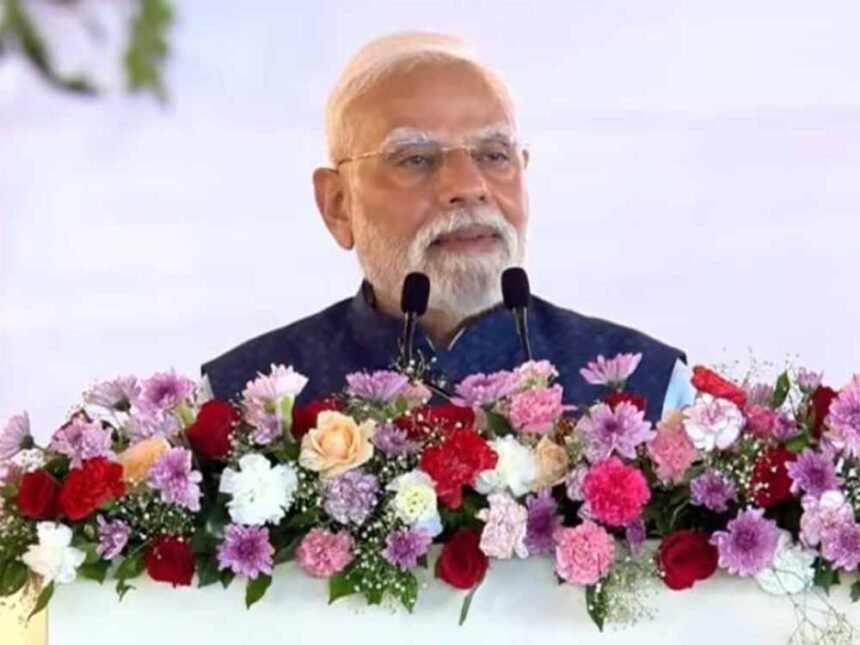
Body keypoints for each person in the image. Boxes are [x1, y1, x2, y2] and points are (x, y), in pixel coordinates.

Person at [202, 32, 694, 422]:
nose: (469, 186)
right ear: (337, 205)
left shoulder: (649, 390)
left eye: (494, 155)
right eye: (416, 158)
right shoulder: (242, 405)